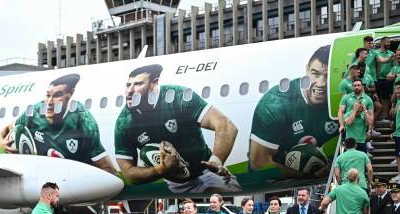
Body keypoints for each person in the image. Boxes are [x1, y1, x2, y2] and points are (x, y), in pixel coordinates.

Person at [114, 64, 241, 193]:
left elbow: (226, 125)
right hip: (177, 182)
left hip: (208, 172)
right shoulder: (124, 122)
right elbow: (129, 174)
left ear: (154, 83)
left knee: (217, 197)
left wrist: (216, 160)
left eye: (138, 84)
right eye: (128, 85)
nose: (130, 91)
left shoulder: (179, 97)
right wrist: (161, 169)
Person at [0, 74, 116, 174]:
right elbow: (6, 129)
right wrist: (2, 142)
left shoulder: (84, 121)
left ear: (70, 94)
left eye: (57, 95)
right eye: (48, 95)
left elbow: (108, 168)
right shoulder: (35, 112)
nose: (49, 102)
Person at [249, 45, 337, 178]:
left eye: (328, 76)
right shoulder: (276, 104)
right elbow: (258, 164)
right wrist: (310, 177)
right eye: (316, 74)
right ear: (307, 70)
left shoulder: (340, 99)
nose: (322, 83)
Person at [338, 79, 374, 154]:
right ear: (352, 87)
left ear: (362, 87)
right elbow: (341, 112)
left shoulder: (368, 99)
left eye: (358, 85)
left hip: (362, 139)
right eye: (354, 85)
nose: (356, 87)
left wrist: (370, 130)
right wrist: (341, 125)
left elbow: (371, 120)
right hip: (350, 139)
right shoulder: (346, 98)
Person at [375, 36, 395, 120]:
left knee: (386, 98)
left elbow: (394, 65)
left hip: (388, 80)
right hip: (377, 79)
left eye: (390, 42)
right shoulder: (376, 53)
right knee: (377, 98)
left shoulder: (391, 53)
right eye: (387, 42)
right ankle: (380, 116)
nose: (389, 44)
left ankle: (386, 116)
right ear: (382, 43)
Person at [391, 81, 400, 183]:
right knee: (397, 155)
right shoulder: (398, 102)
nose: (398, 94)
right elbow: (393, 115)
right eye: (397, 92)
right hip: (398, 133)